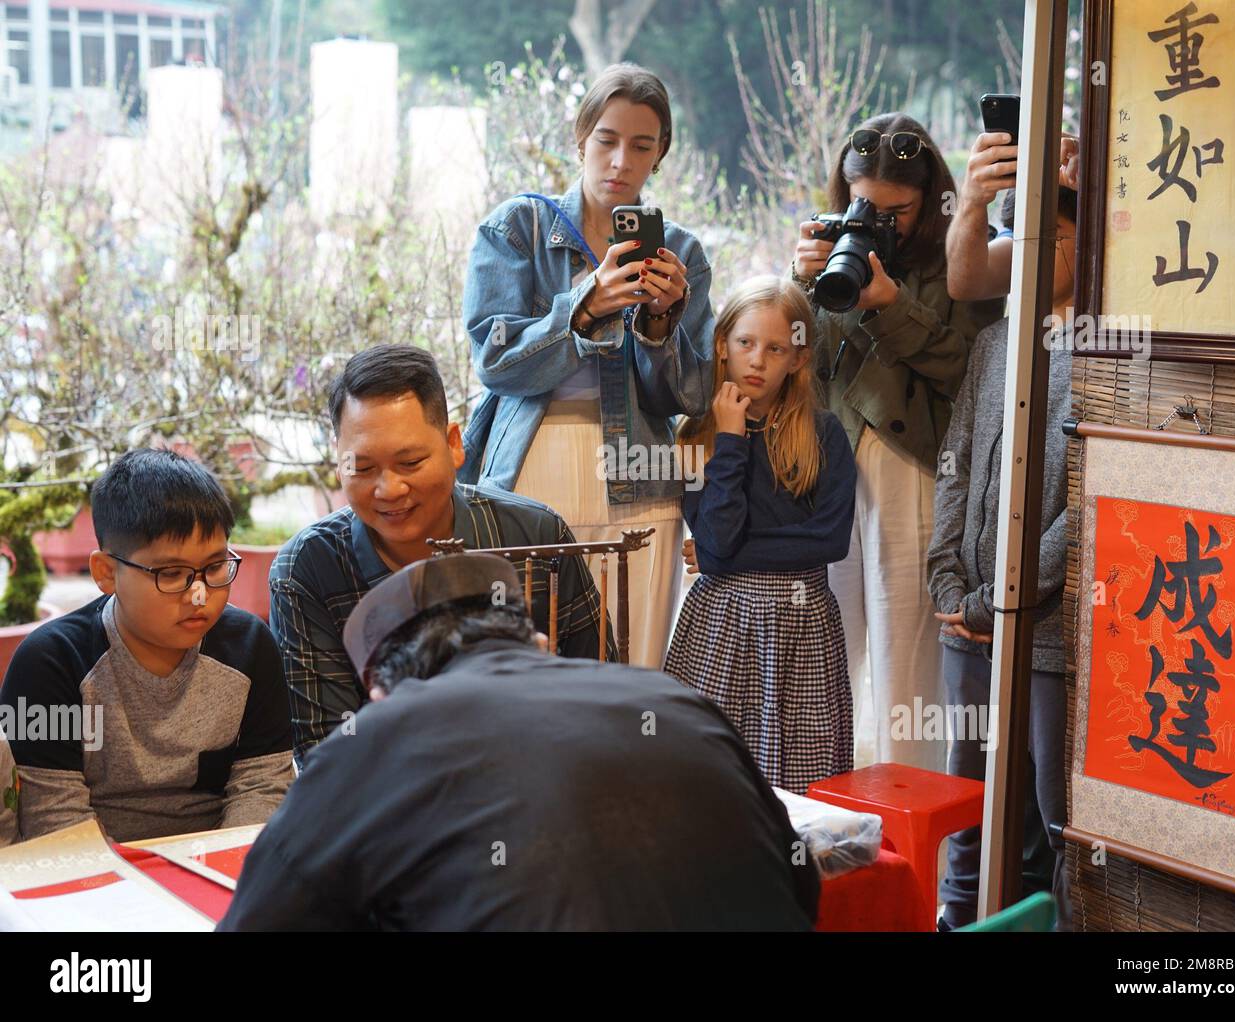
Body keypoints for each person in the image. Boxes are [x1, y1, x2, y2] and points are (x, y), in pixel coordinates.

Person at [219, 553, 821, 931]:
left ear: (381, 692)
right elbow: (802, 884)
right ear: (537, 644)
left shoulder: (370, 740)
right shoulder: (675, 701)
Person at [460, 62, 715, 669]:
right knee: (531, 665)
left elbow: (693, 395)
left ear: (660, 156)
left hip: (641, 478)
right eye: (606, 139)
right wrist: (583, 308)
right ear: (581, 139)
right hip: (532, 467)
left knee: (632, 666)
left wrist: (659, 326)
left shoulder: (680, 253)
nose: (620, 161)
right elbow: (495, 361)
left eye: (641, 146)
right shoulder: (516, 227)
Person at [270, 345, 615, 767]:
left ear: (453, 444)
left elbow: (600, 697)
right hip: (391, 809)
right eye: (362, 469)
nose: (389, 489)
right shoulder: (306, 568)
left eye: (410, 461)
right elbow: (328, 757)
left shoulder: (539, 538)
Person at [791, 113, 1004, 771]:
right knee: (824, 668)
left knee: (904, 675)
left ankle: (917, 850)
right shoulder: (835, 248)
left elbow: (973, 372)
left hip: (915, 470)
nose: (881, 222)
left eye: (898, 210)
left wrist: (890, 308)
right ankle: (828, 836)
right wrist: (802, 287)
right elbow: (806, 368)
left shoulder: (966, 257)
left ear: (931, 198)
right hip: (830, 475)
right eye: (862, 205)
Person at [0, 450, 293, 842]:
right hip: (93, 879)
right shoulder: (50, 663)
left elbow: (262, 787)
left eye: (215, 567)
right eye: (171, 574)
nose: (200, 595)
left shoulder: (251, 647)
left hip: (216, 866)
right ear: (106, 573)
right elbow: (53, 816)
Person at [926, 186, 1078, 931]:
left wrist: (1003, 599)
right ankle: (959, 924)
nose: (1029, 246)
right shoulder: (994, 342)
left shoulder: (1109, 352)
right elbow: (952, 463)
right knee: (970, 804)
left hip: (1047, 633)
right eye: (1018, 231)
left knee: (1056, 816)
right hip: (970, 625)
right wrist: (946, 577)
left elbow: (1089, 508)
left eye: (1050, 231)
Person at [667, 276, 856, 794]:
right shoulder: (696, 437)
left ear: (797, 359)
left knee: (799, 780)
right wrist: (730, 440)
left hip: (803, 624)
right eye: (745, 343)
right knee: (709, 782)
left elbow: (829, 542)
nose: (757, 360)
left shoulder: (824, 434)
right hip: (720, 625)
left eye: (775, 349)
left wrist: (722, 554)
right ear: (722, 346)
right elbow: (718, 540)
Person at [946, 131, 1080, 301]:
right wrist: (971, 201)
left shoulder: (1111, 321)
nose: (1028, 254)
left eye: (1050, 237)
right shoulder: (1022, 248)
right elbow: (963, 286)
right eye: (1020, 234)